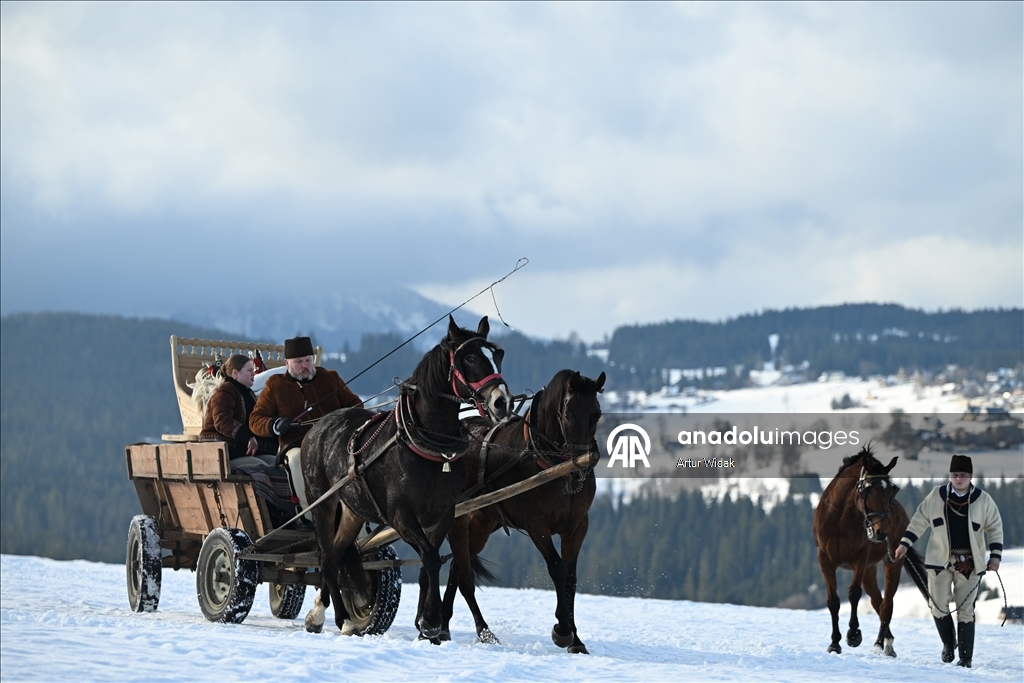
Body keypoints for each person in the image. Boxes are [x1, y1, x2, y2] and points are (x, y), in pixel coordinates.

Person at [894, 454, 1003, 668]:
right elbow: (918, 521)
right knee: (937, 605)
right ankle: (948, 643)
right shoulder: (936, 496)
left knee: (966, 610)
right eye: (955, 475)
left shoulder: (983, 500)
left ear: (970, 476)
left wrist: (995, 557)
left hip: (971, 564)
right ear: (950, 476)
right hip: (939, 561)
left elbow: (995, 528)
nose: (958, 479)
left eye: (963, 475)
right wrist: (904, 544)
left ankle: (965, 658)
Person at [249, 336, 363, 514]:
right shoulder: (276, 385)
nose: (305, 366)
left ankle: (357, 511)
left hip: (333, 442)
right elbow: (255, 420)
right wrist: (275, 424)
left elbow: (356, 405)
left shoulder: (330, 378)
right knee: (295, 460)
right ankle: (308, 514)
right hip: (296, 444)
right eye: (299, 362)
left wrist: (341, 418)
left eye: (308, 360)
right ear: (287, 363)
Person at [199, 354, 277, 469]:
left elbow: (255, 421)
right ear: (235, 373)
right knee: (263, 467)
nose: (253, 373)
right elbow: (222, 421)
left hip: (241, 449)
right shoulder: (225, 391)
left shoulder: (248, 393)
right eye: (249, 370)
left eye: (253, 370)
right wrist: (247, 437)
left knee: (277, 463)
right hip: (222, 451)